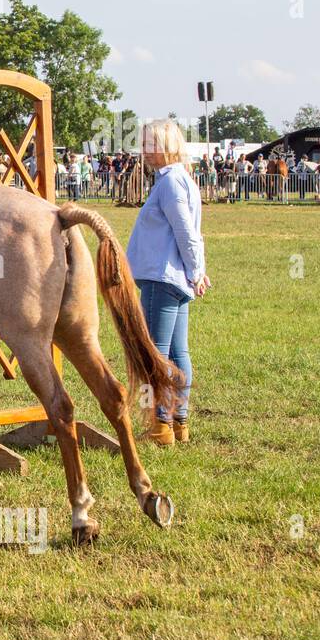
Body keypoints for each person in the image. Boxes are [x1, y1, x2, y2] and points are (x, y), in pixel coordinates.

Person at [126, 120, 210, 446]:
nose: (144, 151)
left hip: (162, 278)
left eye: (150, 144)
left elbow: (186, 233)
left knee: (157, 355)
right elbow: (191, 234)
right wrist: (196, 271)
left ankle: (160, 424)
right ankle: (178, 422)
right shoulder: (179, 180)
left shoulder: (171, 183)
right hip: (173, 277)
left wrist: (197, 271)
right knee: (177, 353)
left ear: (167, 145)